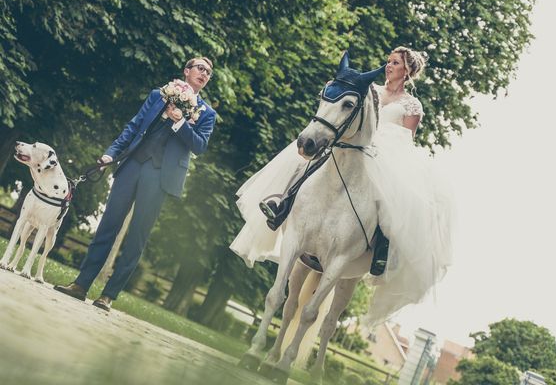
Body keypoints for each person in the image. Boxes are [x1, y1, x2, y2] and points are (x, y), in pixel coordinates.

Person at [230, 47, 453, 323]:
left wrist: (377, 144)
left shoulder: (411, 106)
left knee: (389, 200)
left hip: (384, 156)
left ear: (407, 70)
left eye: (395, 63)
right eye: (388, 61)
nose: (389, 66)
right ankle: (282, 203)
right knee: (302, 162)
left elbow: (406, 140)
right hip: (351, 144)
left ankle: (381, 252)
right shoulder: (370, 89)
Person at [55, 57, 217, 311]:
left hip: (160, 175)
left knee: (137, 237)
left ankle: (108, 296)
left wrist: (180, 121)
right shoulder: (158, 95)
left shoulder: (207, 113)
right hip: (132, 164)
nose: (205, 74)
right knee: (108, 225)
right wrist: (111, 153)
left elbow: (199, 146)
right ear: (187, 71)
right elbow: (133, 127)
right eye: (201, 68)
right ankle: (80, 284)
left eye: (209, 73)